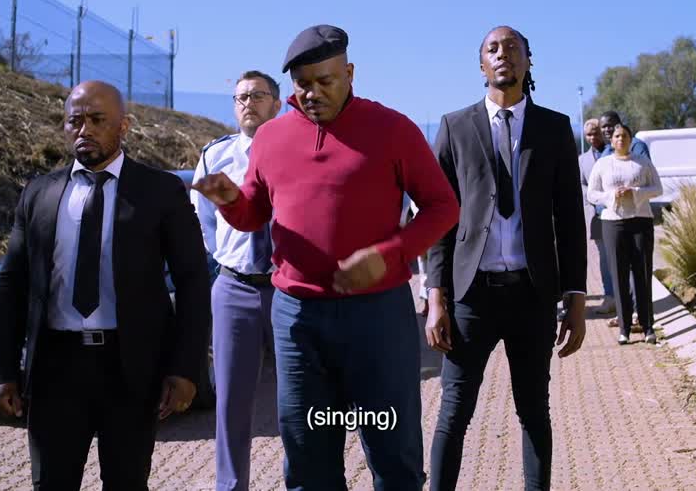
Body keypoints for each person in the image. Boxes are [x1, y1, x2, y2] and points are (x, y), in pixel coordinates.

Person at [191, 25, 459, 491]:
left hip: (377, 318)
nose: (312, 93)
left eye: (325, 81)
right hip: (297, 320)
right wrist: (230, 200)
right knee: (308, 458)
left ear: (350, 73)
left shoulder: (393, 129)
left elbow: (443, 207)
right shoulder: (271, 138)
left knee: (392, 454)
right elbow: (254, 214)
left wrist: (391, 254)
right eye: (302, 84)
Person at [0, 80, 212, 490]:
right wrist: (3, 370)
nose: (84, 130)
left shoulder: (159, 191)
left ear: (124, 125)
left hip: (130, 368)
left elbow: (193, 281)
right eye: (75, 121)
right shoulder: (39, 193)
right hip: (56, 367)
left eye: (97, 120)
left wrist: (185, 369)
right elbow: (12, 283)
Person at [425, 26, 587, 491]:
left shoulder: (554, 128)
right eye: (493, 49)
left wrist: (576, 298)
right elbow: (440, 218)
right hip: (471, 297)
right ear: (481, 65)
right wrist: (436, 297)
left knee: (534, 411)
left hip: (532, 296)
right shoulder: (455, 126)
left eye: (513, 48)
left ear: (529, 61)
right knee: (454, 412)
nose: (504, 55)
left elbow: (570, 220)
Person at [191, 70, 282, 491]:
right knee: (231, 400)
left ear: (276, 104)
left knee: (299, 396)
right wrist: (229, 260)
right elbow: (205, 222)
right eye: (241, 97)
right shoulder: (215, 156)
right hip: (234, 289)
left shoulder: (295, 150)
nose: (248, 103)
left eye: (258, 95)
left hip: (286, 289)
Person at [587, 123, 662, 345]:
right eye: (617, 136)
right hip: (613, 223)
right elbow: (592, 193)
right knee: (619, 274)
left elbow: (658, 188)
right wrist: (611, 196)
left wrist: (635, 192)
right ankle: (624, 328)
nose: (621, 139)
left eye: (625, 136)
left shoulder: (642, 162)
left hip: (641, 221)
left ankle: (648, 327)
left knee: (642, 272)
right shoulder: (603, 164)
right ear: (611, 141)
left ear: (631, 139)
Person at [598, 110, 651, 329]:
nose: (607, 130)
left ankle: (639, 315)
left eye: (610, 125)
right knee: (618, 269)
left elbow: (645, 176)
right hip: (611, 218)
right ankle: (625, 315)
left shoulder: (636, 146)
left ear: (620, 124)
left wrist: (630, 191)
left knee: (635, 269)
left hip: (635, 217)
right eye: (603, 127)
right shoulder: (606, 152)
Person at [578, 118, 615, 314]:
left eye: (595, 133)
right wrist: (595, 196)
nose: (592, 138)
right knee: (604, 257)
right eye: (588, 135)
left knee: (620, 255)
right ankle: (609, 297)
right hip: (596, 215)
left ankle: (627, 298)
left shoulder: (614, 151)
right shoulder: (582, 160)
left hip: (617, 212)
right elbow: (581, 185)